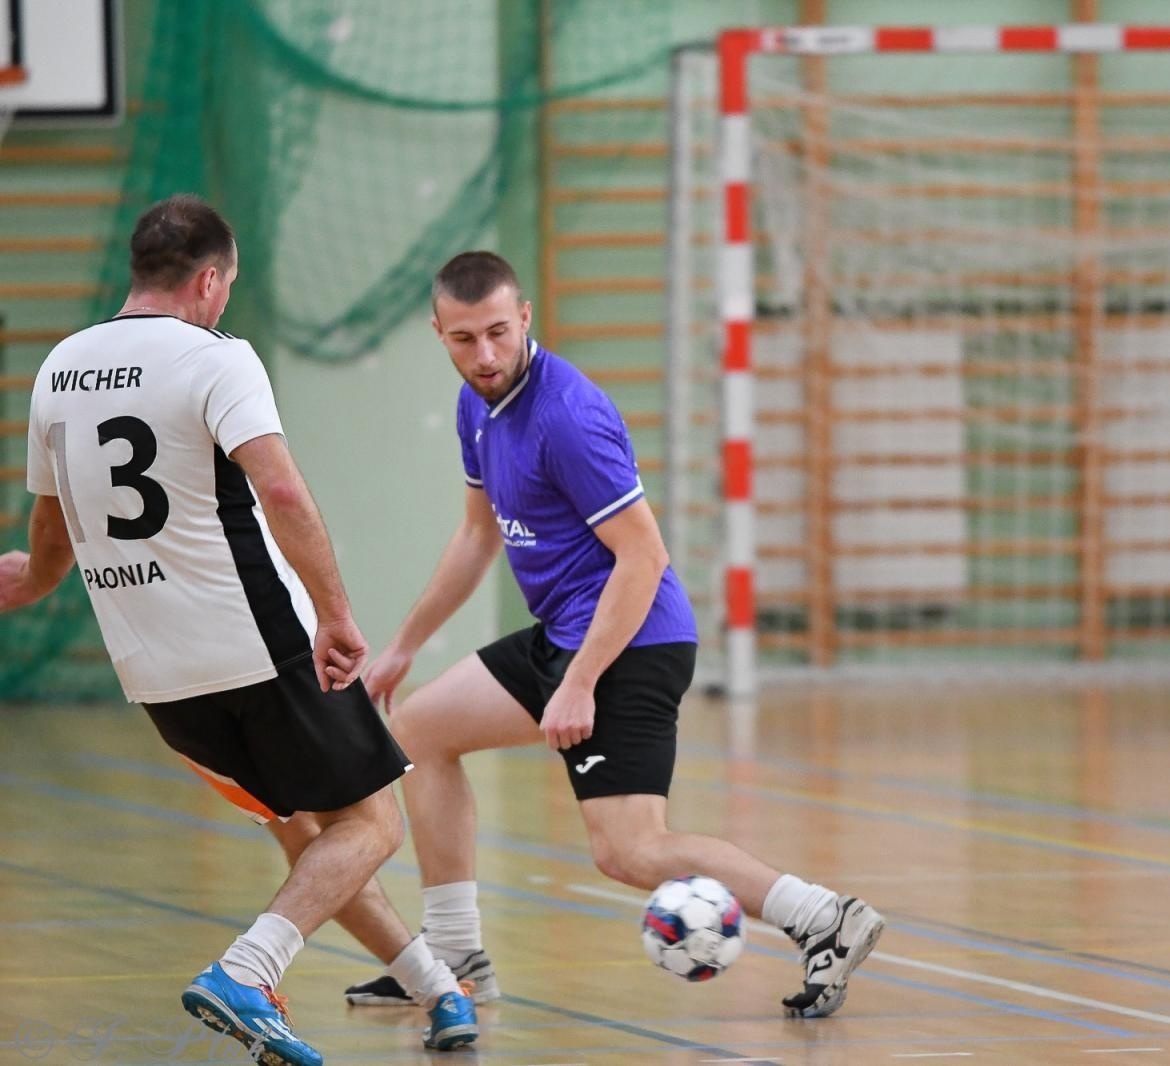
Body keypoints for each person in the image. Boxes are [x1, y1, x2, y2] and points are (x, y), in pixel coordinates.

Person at [339, 251, 884, 1019]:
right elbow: (476, 535)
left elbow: (644, 556)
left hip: (631, 642)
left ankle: (827, 917)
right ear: (440, 334)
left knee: (629, 851)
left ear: (525, 317)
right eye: (465, 340)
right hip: (565, 632)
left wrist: (581, 680)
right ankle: (456, 956)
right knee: (420, 730)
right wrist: (402, 644)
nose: (485, 355)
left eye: (498, 332)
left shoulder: (567, 415)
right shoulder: (479, 405)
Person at [0, 195, 476, 1063]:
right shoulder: (216, 357)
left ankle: (436, 990)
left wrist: (25, 583)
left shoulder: (57, 370)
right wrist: (335, 615)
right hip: (256, 646)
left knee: (313, 843)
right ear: (210, 281)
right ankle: (246, 975)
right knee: (371, 828)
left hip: (155, 679)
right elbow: (284, 493)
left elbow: (44, 550)